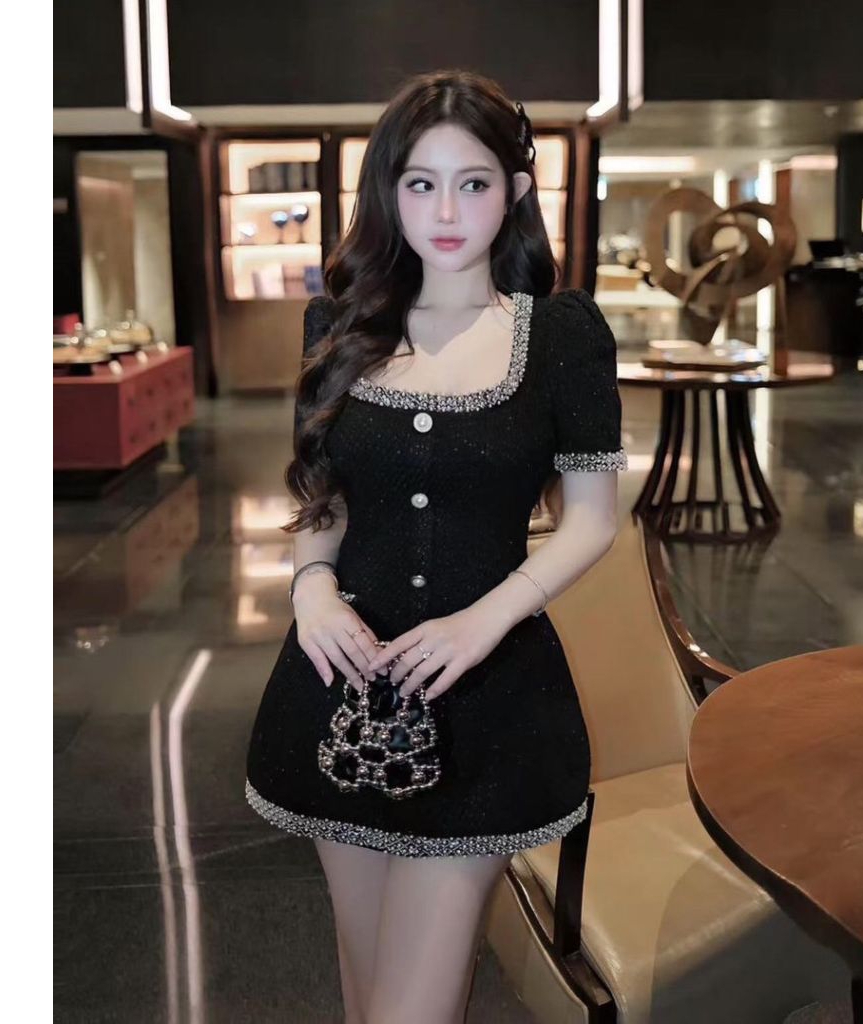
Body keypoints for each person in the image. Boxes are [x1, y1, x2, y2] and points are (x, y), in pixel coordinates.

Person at [245, 68, 626, 1024]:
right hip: (339, 686)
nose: (446, 212)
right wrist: (311, 590)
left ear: (517, 189)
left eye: (474, 183)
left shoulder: (562, 336)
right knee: (368, 990)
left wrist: (484, 619)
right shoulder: (338, 325)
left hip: (487, 701)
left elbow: (593, 517)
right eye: (420, 183)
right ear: (389, 191)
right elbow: (322, 496)